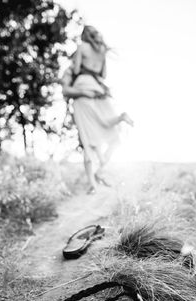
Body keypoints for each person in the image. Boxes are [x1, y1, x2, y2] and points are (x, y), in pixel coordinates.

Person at [61, 25, 133, 194]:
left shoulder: (81, 48)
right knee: (107, 127)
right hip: (99, 89)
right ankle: (100, 169)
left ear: (84, 36)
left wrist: (75, 70)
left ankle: (93, 182)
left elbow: (77, 70)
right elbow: (103, 75)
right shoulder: (101, 50)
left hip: (83, 87)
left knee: (88, 142)